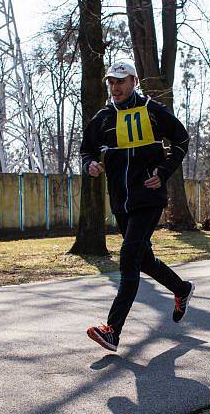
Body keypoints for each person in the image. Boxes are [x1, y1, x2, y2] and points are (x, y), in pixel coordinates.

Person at [81, 59, 194, 352]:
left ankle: (112, 330)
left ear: (134, 81)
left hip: (148, 197)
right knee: (143, 259)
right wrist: (90, 164)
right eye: (111, 82)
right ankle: (182, 289)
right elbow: (86, 149)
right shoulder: (104, 117)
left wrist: (164, 171)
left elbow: (181, 140)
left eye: (120, 81)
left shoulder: (153, 111)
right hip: (121, 201)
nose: (115, 87)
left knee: (128, 258)